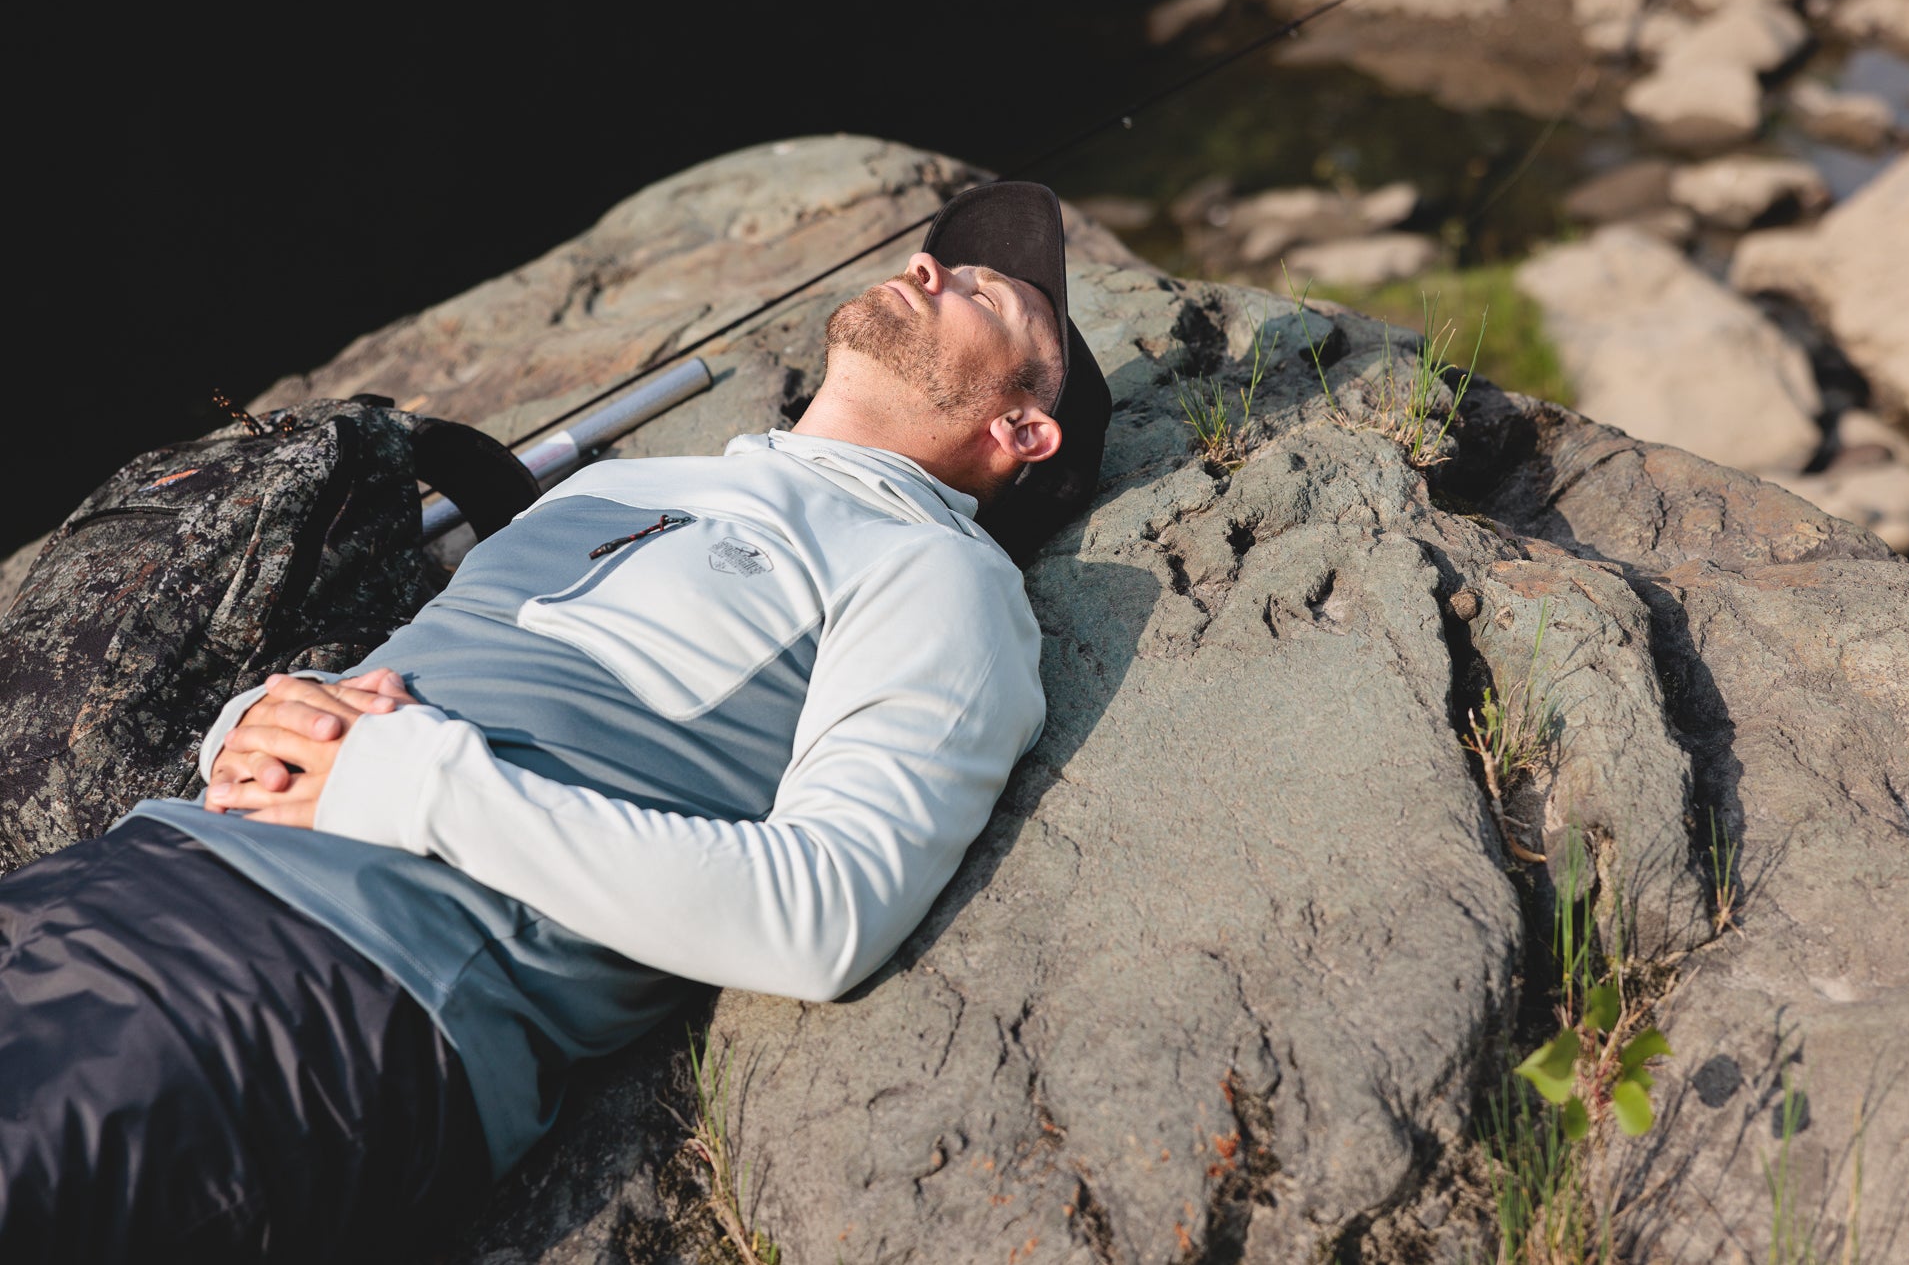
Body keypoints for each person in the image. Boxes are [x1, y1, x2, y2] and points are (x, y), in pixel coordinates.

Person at [0, 182, 1111, 1263]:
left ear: (1024, 429)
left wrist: (419, 784)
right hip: (133, 870)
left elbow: (823, 914)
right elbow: (406, 683)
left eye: (986, 293)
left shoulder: (937, 576)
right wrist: (260, 716)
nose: (928, 267)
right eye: (943, 256)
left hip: (335, 990)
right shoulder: (609, 489)